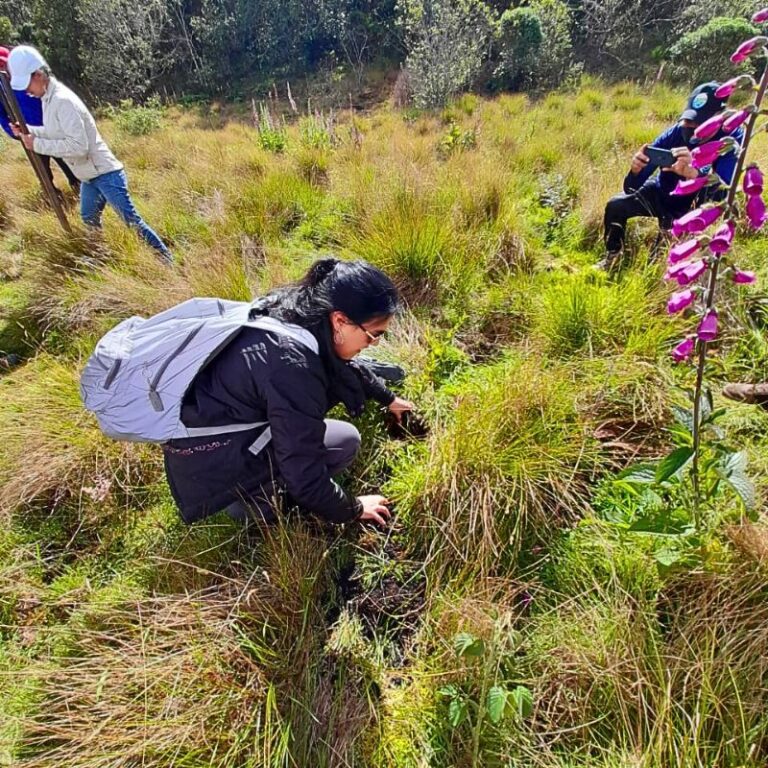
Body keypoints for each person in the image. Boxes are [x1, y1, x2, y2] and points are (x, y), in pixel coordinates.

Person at [162, 257, 414, 527]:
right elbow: (303, 472)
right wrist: (353, 508)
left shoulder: (291, 311)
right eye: (373, 335)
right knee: (345, 442)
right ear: (340, 320)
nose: (374, 344)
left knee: (337, 437)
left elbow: (343, 366)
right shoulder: (293, 369)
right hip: (214, 468)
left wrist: (388, 399)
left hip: (206, 440)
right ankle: (254, 504)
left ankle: (252, 491)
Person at [6, 45, 172, 263]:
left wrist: (36, 144)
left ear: (38, 75)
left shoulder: (62, 101)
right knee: (89, 218)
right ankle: (100, 260)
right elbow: (55, 132)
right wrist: (27, 131)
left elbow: (78, 147)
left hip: (106, 173)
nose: (26, 92)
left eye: (27, 84)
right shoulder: (48, 99)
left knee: (131, 221)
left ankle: (167, 262)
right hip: (89, 176)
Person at [600, 82, 744, 271]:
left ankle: (667, 241)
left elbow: (722, 196)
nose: (691, 127)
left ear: (716, 119)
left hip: (692, 207)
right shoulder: (675, 133)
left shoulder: (730, 139)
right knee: (616, 205)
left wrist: (694, 174)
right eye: (688, 120)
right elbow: (631, 188)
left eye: (699, 123)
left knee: (657, 264)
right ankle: (613, 255)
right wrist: (635, 171)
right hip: (663, 193)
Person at [0, 46, 79, 197]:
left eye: (4, 65)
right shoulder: (0, 88)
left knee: (68, 162)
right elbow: (2, 116)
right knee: (44, 174)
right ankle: (55, 198)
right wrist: (15, 133)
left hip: (51, 128)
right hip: (29, 134)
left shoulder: (27, 75)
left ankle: (80, 190)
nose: (3, 70)